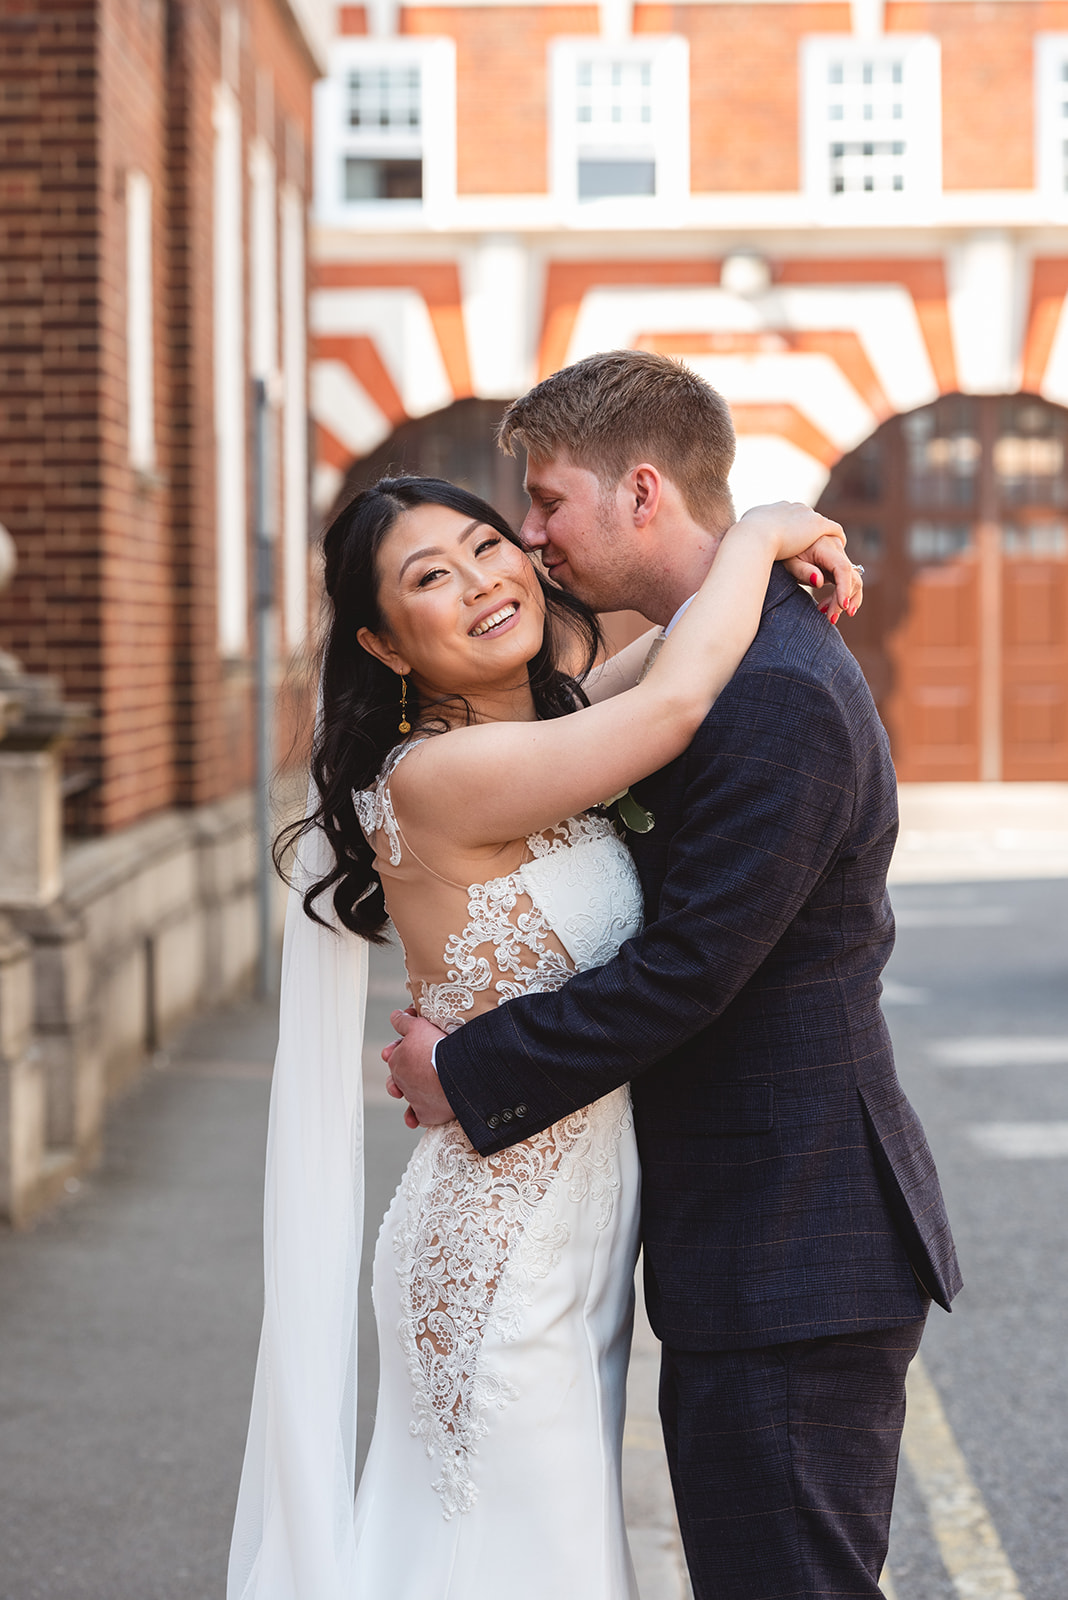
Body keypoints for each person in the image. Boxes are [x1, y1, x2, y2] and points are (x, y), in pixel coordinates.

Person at [384, 351, 963, 1600]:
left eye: (545, 504)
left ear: (641, 492)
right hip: (737, 1248)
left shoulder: (778, 694)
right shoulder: (720, 659)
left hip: (795, 1251)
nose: (528, 540)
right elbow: (589, 724)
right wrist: (757, 538)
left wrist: (468, 1067)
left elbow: (688, 972)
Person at [227, 466, 857, 1600]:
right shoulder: (443, 775)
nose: (481, 580)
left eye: (485, 544)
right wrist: (762, 526)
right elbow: (673, 703)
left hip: (579, 1237)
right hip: (498, 1251)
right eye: (431, 577)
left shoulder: (548, 726)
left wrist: (753, 562)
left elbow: (671, 652)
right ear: (382, 646)